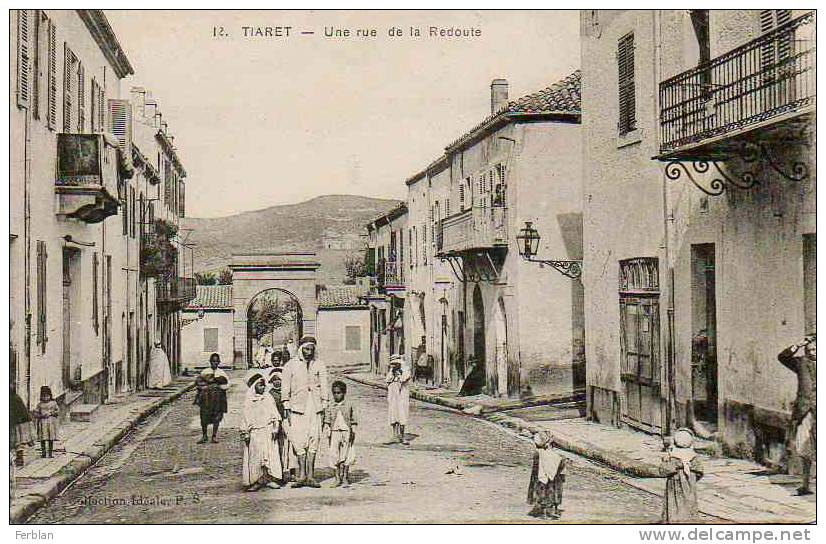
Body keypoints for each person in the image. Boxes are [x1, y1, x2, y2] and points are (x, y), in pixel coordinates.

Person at [282, 335, 328, 488]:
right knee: (298, 440)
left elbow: (324, 386)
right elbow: (285, 388)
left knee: (314, 438)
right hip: (297, 407)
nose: (309, 352)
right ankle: (301, 475)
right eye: (306, 349)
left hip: (315, 407)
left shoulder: (319, 364)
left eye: (311, 349)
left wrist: (324, 404)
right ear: (301, 349)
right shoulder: (290, 365)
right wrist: (286, 406)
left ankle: (311, 476)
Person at [778, 334, 816, 495]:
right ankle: (806, 484)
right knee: (803, 447)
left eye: (816, 349)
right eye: (810, 349)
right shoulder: (801, 363)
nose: (813, 352)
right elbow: (783, 357)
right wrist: (799, 344)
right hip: (804, 412)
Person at [240, 373, 282, 491]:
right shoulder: (249, 401)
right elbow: (245, 417)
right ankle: (256, 480)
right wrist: (246, 433)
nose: (262, 388)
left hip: (268, 430)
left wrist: (275, 428)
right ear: (254, 387)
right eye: (259, 385)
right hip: (255, 432)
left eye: (263, 386)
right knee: (256, 456)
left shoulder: (268, 398)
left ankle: (269, 478)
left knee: (269, 455)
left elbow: (275, 415)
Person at [659, 428, 704, 523]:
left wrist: (666, 462)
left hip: (674, 484)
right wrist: (692, 477)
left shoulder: (673, 457)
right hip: (689, 484)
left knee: (674, 502)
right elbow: (700, 471)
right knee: (689, 502)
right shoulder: (694, 457)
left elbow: (663, 471)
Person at [324, 380, 357, 487]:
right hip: (334, 432)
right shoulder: (330, 405)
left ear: (344, 393)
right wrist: (328, 429)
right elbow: (327, 419)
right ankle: (337, 477)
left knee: (346, 455)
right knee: (334, 455)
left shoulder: (349, 405)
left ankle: (345, 476)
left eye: (339, 393)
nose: (336, 395)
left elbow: (353, 419)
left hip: (346, 431)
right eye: (334, 393)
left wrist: (353, 430)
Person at [527, 431, 566, 519]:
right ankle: (552, 509)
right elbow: (562, 466)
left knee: (543, 491)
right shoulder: (557, 456)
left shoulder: (539, 454)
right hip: (555, 477)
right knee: (553, 490)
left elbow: (536, 469)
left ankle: (544, 510)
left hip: (542, 478)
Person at [268, 365, 297, 483]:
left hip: (288, 421)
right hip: (276, 423)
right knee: (278, 447)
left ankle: (292, 472)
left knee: (291, 446)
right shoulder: (269, 394)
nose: (277, 382)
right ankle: (279, 473)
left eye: (279, 379)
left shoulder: (288, 392)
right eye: (275, 379)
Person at [195, 353, 229, 444]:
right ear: (210, 362)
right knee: (204, 416)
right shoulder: (205, 372)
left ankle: (214, 436)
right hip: (206, 398)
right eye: (213, 361)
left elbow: (227, 385)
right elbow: (198, 383)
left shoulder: (222, 373)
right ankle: (204, 435)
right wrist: (204, 387)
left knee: (217, 417)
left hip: (217, 399)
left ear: (219, 362)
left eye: (217, 361)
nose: (215, 363)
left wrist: (218, 384)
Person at [386, 355, 411, 444]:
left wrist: (399, 375)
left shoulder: (405, 370)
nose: (393, 366)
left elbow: (404, 379)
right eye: (392, 364)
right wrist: (392, 375)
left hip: (402, 396)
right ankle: (394, 436)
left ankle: (402, 436)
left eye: (395, 364)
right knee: (393, 414)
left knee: (402, 415)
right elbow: (387, 380)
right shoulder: (391, 371)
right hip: (393, 396)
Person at [10, 385, 34, 467]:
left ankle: (19, 458)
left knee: (18, 441)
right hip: (18, 422)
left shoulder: (14, 399)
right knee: (18, 441)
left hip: (20, 423)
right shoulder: (15, 398)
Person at [33, 386, 59, 458]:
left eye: (47, 396)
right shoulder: (40, 405)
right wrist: (41, 416)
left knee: (51, 438)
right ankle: (43, 453)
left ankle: (50, 453)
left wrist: (51, 414)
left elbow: (57, 411)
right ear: (41, 397)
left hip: (50, 423)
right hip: (43, 424)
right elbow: (35, 413)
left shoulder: (53, 403)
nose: (46, 398)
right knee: (43, 438)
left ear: (50, 396)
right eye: (44, 396)